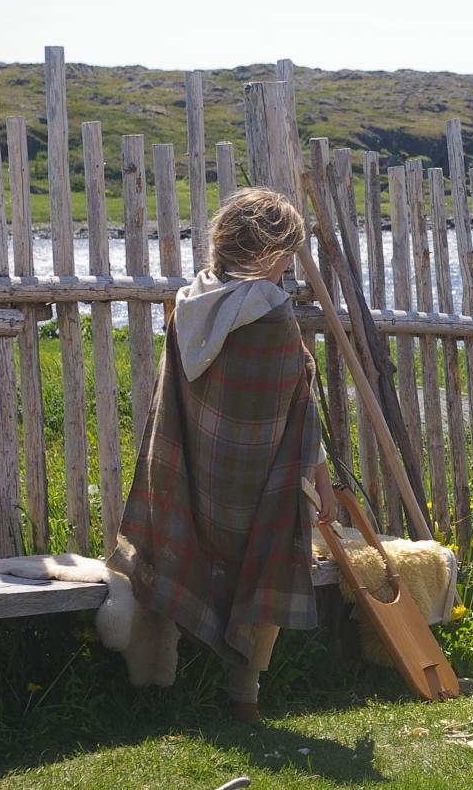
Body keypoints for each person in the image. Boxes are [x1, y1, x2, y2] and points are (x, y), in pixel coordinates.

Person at [108, 188, 339, 721]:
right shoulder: (273, 318)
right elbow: (298, 413)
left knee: (185, 548)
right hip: (257, 486)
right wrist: (322, 482)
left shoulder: (189, 305)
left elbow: (175, 399)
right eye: (288, 254)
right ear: (269, 253)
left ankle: (157, 679)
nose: (289, 266)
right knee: (264, 564)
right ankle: (244, 696)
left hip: (193, 475)